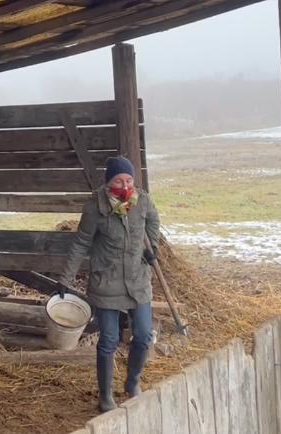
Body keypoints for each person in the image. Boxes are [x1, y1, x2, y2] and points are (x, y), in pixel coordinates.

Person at [59, 155, 160, 412]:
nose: (125, 185)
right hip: (107, 281)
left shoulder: (143, 201)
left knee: (144, 335)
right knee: (109, 340)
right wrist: (65, 278)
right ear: (108, 184)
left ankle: (132, 382)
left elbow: (153, 221)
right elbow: (81, 243)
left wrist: (152, 247)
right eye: (119, 180)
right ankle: (105, 396)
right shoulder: (95, 208)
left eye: (128, 179)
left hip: (137, 280)